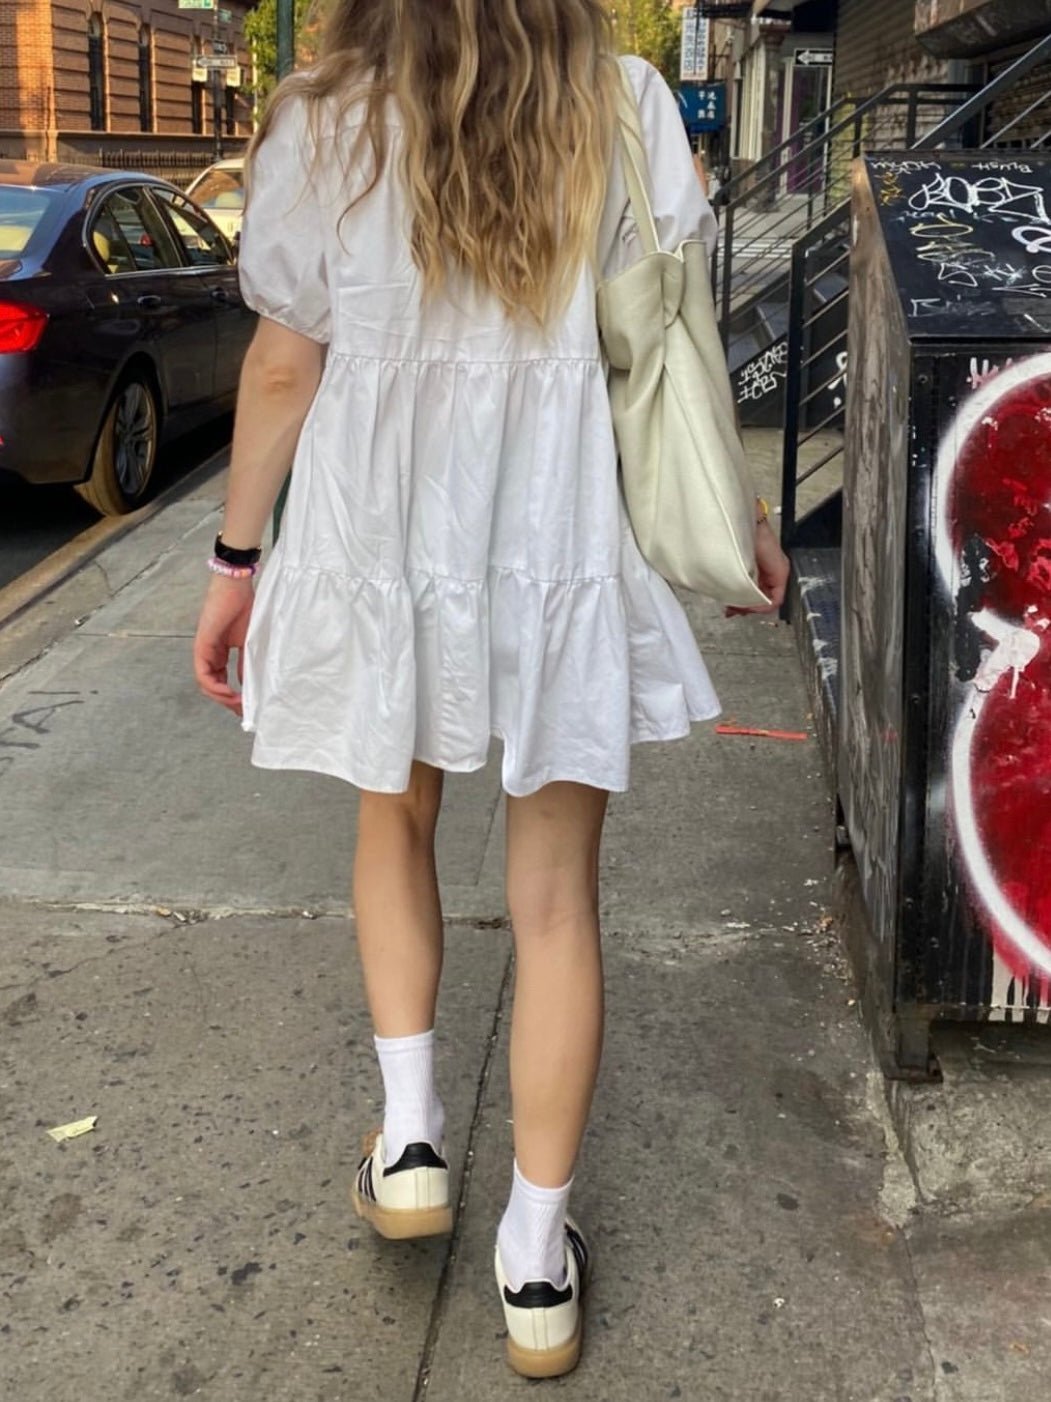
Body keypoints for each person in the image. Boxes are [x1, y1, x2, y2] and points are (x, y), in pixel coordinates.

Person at [193, 0, 789, 1380]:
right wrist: (739, 509)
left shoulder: (327, 113)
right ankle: (534, 1261)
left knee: (391, 823)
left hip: (384, 537)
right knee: (557, 898)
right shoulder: (622, 100)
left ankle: (410, 1140)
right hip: (554, 536)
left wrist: (237, 557)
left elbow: (286, 362)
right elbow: (668, 346)